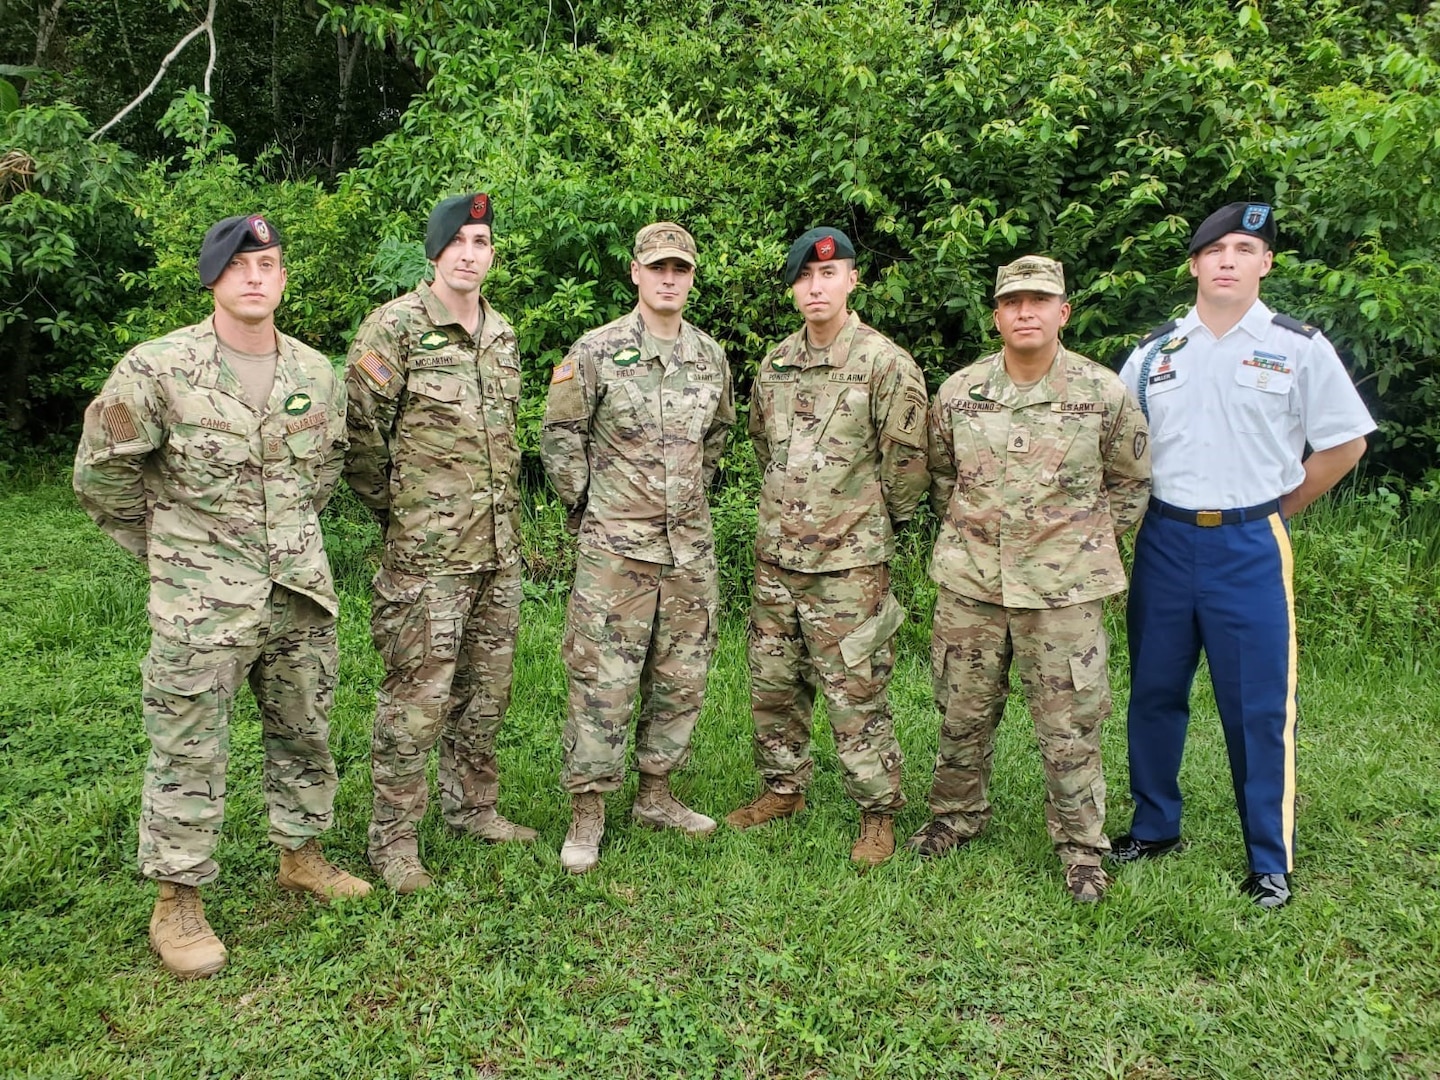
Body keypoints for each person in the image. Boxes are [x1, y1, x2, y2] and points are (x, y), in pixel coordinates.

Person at [73, 214, 370, 979]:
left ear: (282, 277)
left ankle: (301, 854)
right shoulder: (159, 368)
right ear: (213, 278)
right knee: (189, 749)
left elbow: (325, 470)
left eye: (268, 263)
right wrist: (171, 547)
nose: (255, 277)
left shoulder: (314, 372)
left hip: (298, 592)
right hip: (201, 601)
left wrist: (284, 538)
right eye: (239, 265)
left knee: (305, 729)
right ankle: (177, 900)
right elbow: (102, 473)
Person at [1115, 202, 1375, 908]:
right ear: (1195, 264)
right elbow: (1119, 448)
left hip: (1250, 544)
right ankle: (1154, 826)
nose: (1228, 259)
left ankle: (1269, 858)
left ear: (1265, 264)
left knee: (1258, 705)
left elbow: (1345, 444)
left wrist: (1277, 510)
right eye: (1214, 249)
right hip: (1163, 538)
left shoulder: (1298, 347)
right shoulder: (1155, 353)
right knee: (1155, 693)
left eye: (1245, 247)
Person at [910, 256, 1150, 901]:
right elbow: (941, 478)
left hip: (1064, 593)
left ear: (1062, 312)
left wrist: (1075, 547)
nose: (1025, 312)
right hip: (973, 585)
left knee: (1070, 721)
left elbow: (1130, 485)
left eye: (1039, 301)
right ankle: (955, 818)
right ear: (996, 314)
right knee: (961, 709)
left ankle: (1080, 850)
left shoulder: (1102, 394)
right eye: (1012, 301)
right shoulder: (959, 392)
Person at [344, 193, 535, 894]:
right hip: (427, 559)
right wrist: (399, 514)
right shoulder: (394, 329)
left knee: (484, 697)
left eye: (481, 241)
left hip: (497, 552)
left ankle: (472, 807)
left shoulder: (502, 334)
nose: (469, 254)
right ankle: (392, 840)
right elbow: (360, 438)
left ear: (492, 253)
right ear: (434, 252)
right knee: (414, 703)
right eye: (457, 241)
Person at [726, 226, 930, 868]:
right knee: (773, 683)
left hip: (849, 566)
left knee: (855, 690)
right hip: (777, 559)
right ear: (793, 289)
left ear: (852, 280)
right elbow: (764, 446)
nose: (816, 287)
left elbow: (908, 465)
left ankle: (877, 812)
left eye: (828, 274)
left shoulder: (884, 363)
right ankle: (782, 789)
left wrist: (870, 526)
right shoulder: (777, 363)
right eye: (804, 278)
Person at [541, 222, 735, 875]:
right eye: (658, 267)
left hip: (689, 552)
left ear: (691, 276)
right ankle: (587, 811)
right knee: (603, 681)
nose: (669, 278)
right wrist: (588, 513)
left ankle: (656, 794)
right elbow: (561, 439)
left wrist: (686, 500)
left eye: (680, 268)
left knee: (682, 678)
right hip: (615, 552)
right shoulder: (597, 351)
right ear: (636, 273)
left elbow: (718, 438)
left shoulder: (709, 357)